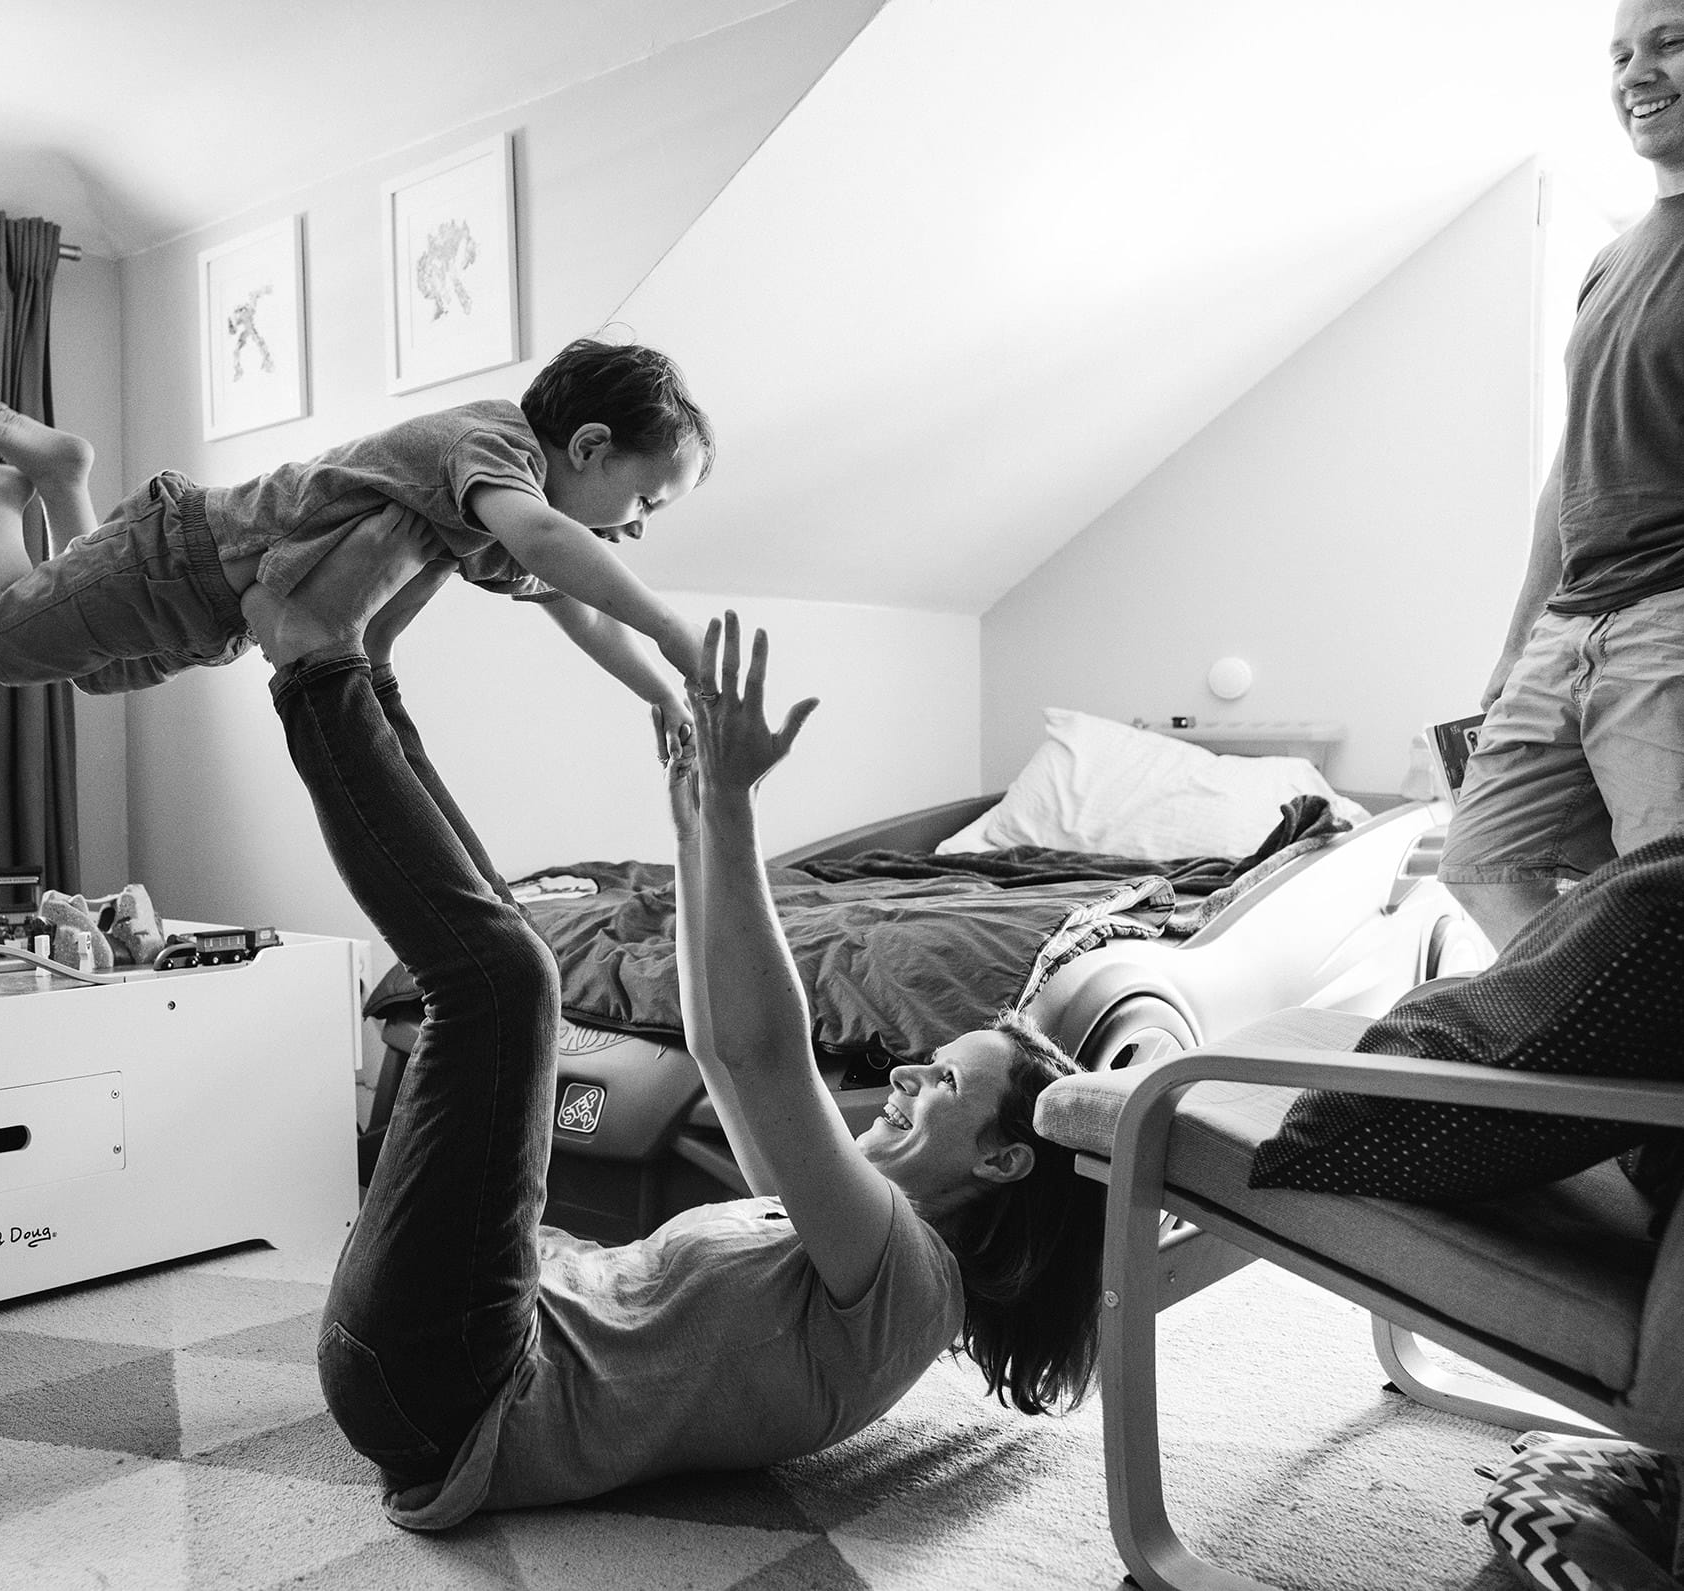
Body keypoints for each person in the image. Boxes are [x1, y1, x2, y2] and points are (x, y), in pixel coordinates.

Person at [248, 591, 1105, 1528]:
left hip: (456, 1384)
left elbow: (771, 1054)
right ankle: (363, 674)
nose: (905, 1074)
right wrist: (693, 825)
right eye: (928, 1060)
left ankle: (316, 673)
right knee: (507, 944)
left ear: (1003, 1158)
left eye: (943, 1078)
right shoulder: (840, 1235)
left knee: (505, 980)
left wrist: (738, 805)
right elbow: (718, 1051)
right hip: (441, 1339)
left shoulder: (910, 1285)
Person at [0, 337, 713, 755]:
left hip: (217, 617)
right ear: (588, 444)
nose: (639, 526)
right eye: (646, 498)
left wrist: (662, 696)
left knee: (95, 674)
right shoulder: (492, 442)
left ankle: (61, 479)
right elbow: (550, 540)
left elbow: (585, 610)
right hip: (182, 556)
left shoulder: (506, 521)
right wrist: (672, 627)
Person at [1444, 0, 1684, 950]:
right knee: (1483, 861)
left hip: (1669, 617)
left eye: (1671, 42)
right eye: (1621, 54)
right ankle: (1593, 1057)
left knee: (1661, 903)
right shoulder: (1610, 260)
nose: (1637, 73)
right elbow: (1569, 470)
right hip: (1568, 623)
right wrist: (1513, 649)